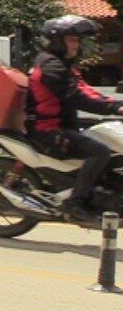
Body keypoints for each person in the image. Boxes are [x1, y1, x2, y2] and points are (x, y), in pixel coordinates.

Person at [27, 15, 123, 215]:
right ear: (57, 41)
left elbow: (87, 91)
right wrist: (115, 108)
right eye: (71, 40)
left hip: (63, 125)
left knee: (104, 132)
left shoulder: (63, 65)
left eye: (77, 41)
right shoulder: (51, 66)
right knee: (101, 152)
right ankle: (75, 202)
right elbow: (76, 97)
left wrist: (115, 105)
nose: (76, 45)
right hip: (49, 131)